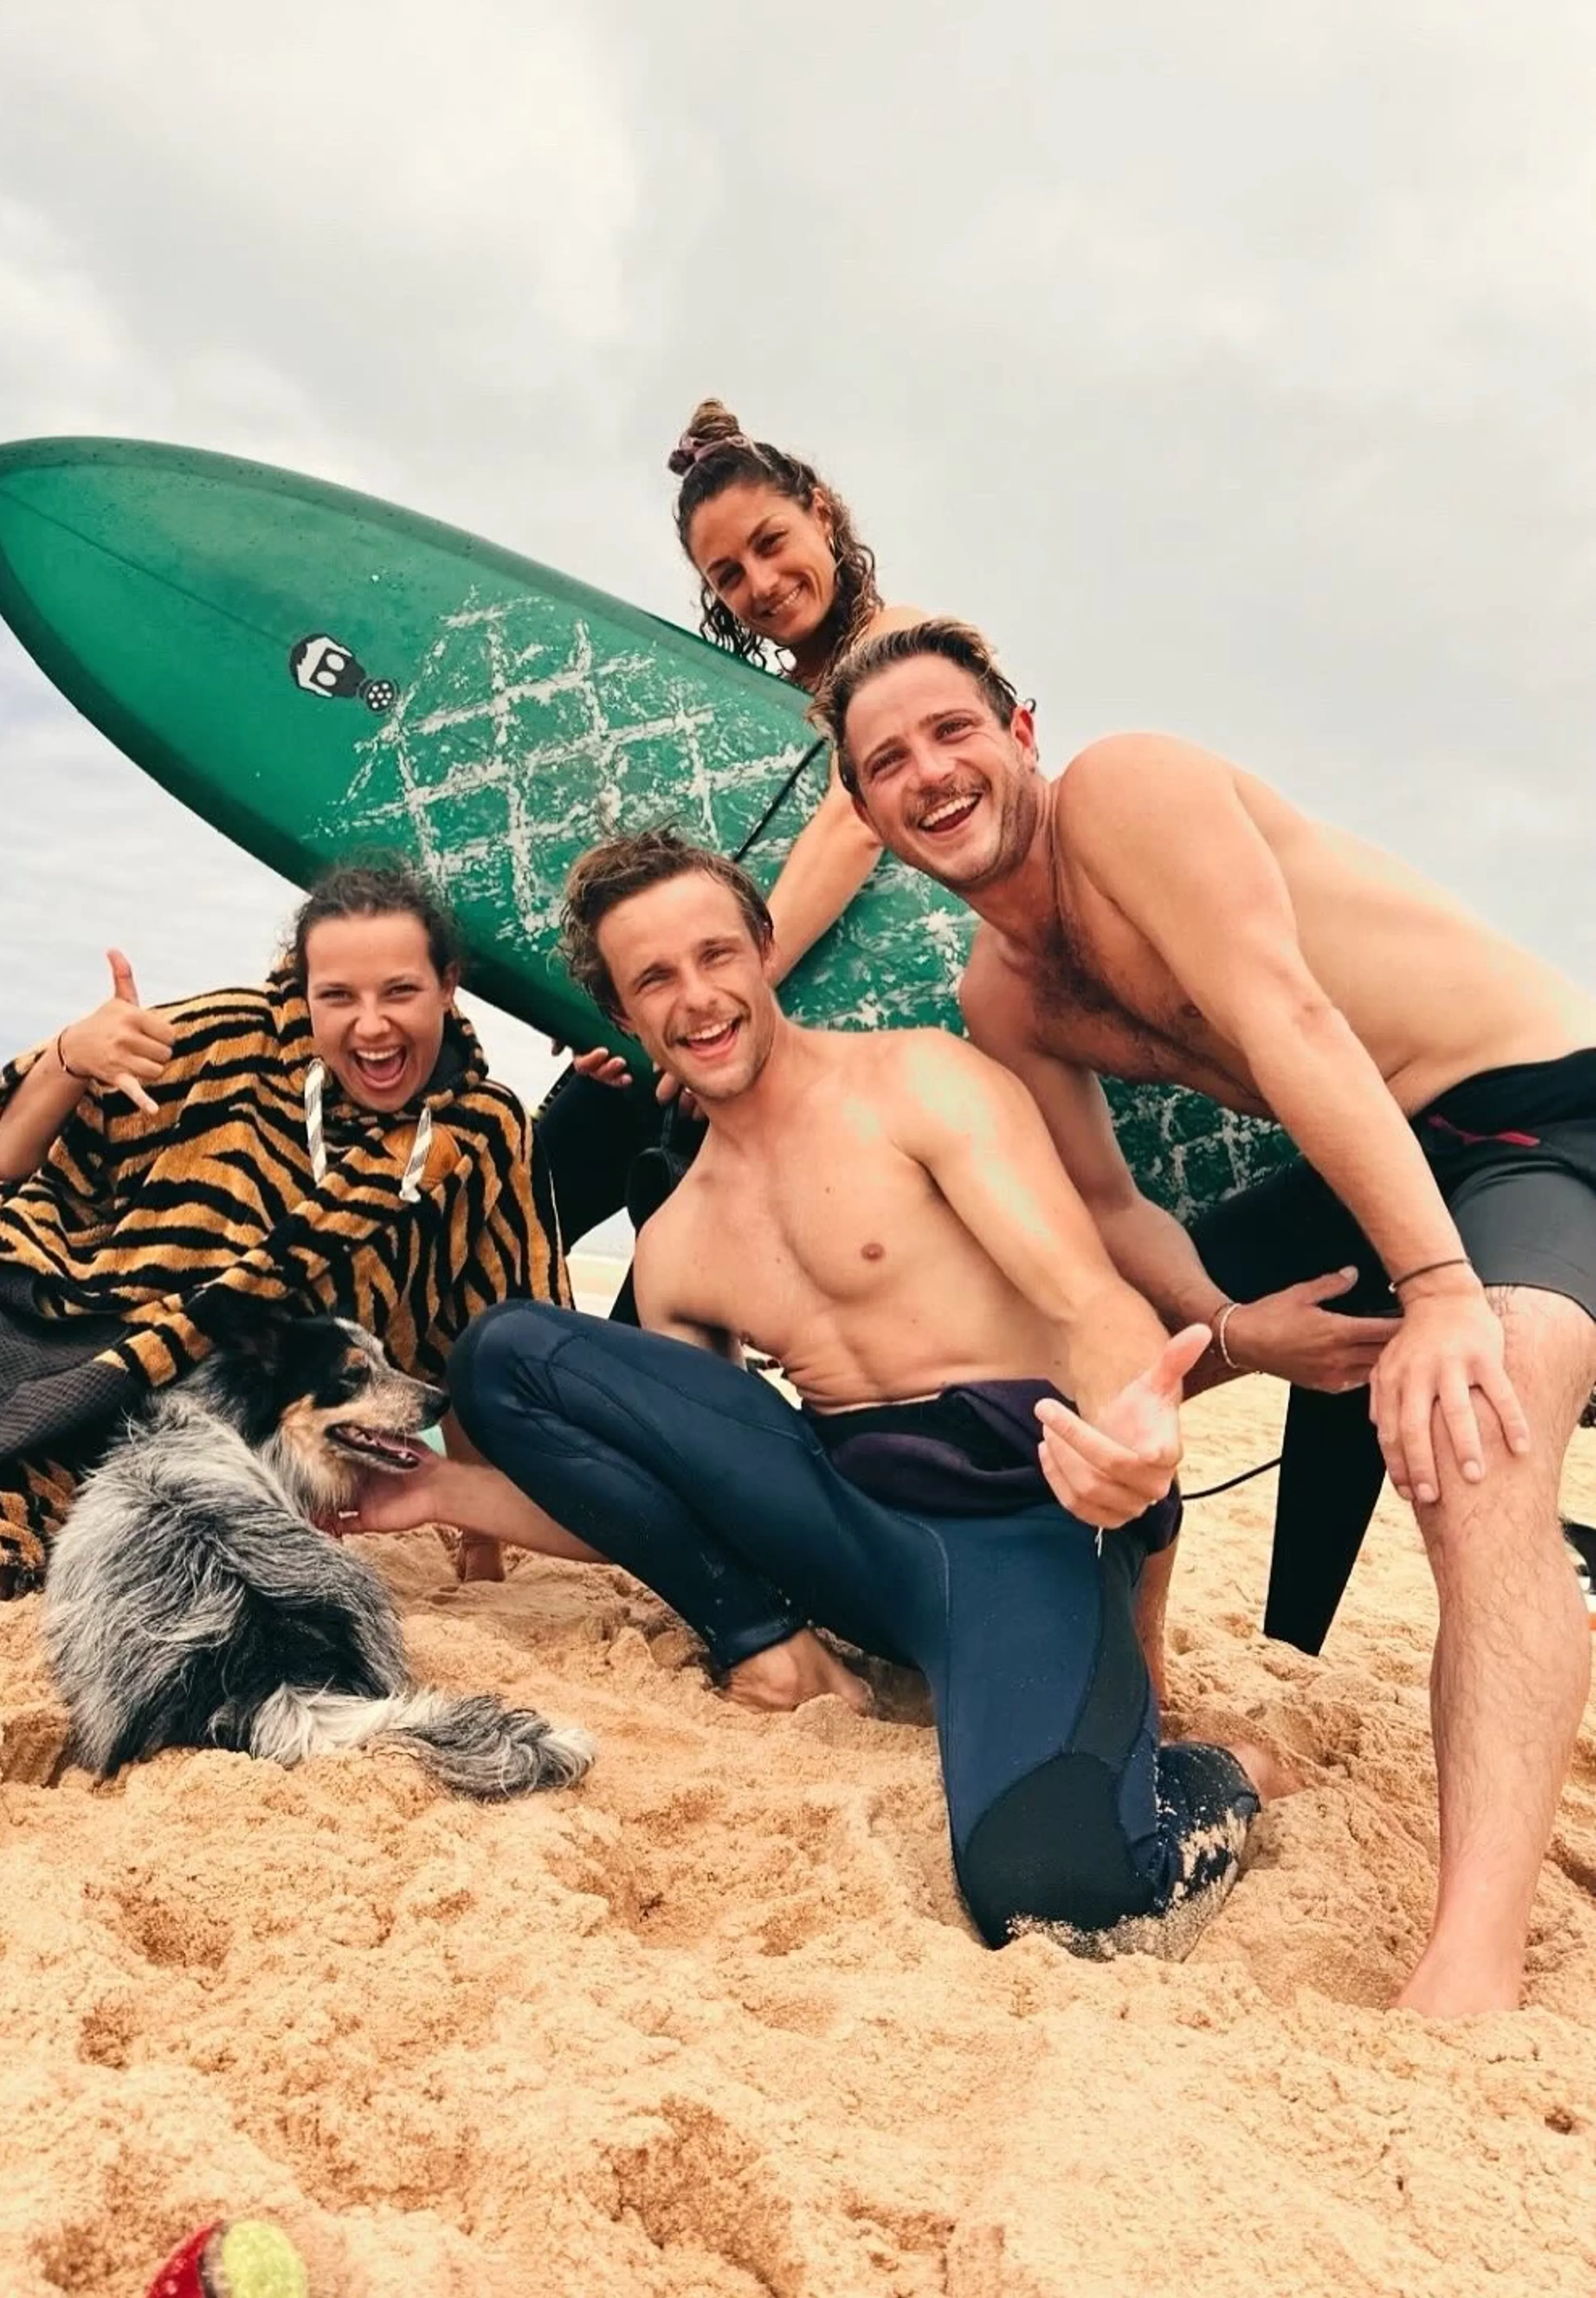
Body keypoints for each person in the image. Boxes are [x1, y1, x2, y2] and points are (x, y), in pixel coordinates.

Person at [821, 617, 1596, 2015]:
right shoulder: (1003, 994)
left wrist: (1438, 1292)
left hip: (1541, 1113)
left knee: (1476, 1439)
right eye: (888, 764)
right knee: (1083, 1382)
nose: (929, 773)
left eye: (953, 731)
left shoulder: (1131, 790)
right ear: (869, 816)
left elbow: (1291, 1017)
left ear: (1022, 734)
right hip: (1374, 1170)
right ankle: (1126, 1698)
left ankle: (1471, 1964)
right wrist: (1231, 1332)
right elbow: (1109, 1211)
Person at [348, 829, 1293, 1957]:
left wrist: (1136, 1425)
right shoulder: (683, 1240)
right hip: (847, 1531)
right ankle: (773, 1645)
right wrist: (446, 1492)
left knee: (1055, 1899)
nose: (698, 998)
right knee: (505, 1351)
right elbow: (672, 1509)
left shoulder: (916, 1082)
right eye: (656, 979)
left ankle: (1223, 1772)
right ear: (624, 1014)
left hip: (1022, 1523)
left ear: (764, 948)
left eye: (716, 956)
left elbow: (1086, 1296)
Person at [0, 863, 566, 1608]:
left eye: (400, 992)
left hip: (134, 1425)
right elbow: (9, 1161)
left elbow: (483, 1328)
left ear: (447, 986)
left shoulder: (481, 1135)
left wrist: (481, 1543)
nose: (371, 1026)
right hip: (13, 1322)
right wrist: (72, 1056)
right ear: (304, 989)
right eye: (338, 996)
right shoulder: (221, 1041)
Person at [537, 397, 929, 1301]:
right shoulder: (747, 714)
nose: (760, 584)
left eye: (771, 543)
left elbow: (855, 822)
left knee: (656, 1316)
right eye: (727, 575)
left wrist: (729, 993)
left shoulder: (900, 643)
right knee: (503, 1215)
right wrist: (603, 1002)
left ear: (821, 512)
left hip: (798, 1054)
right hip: (704, 1036)